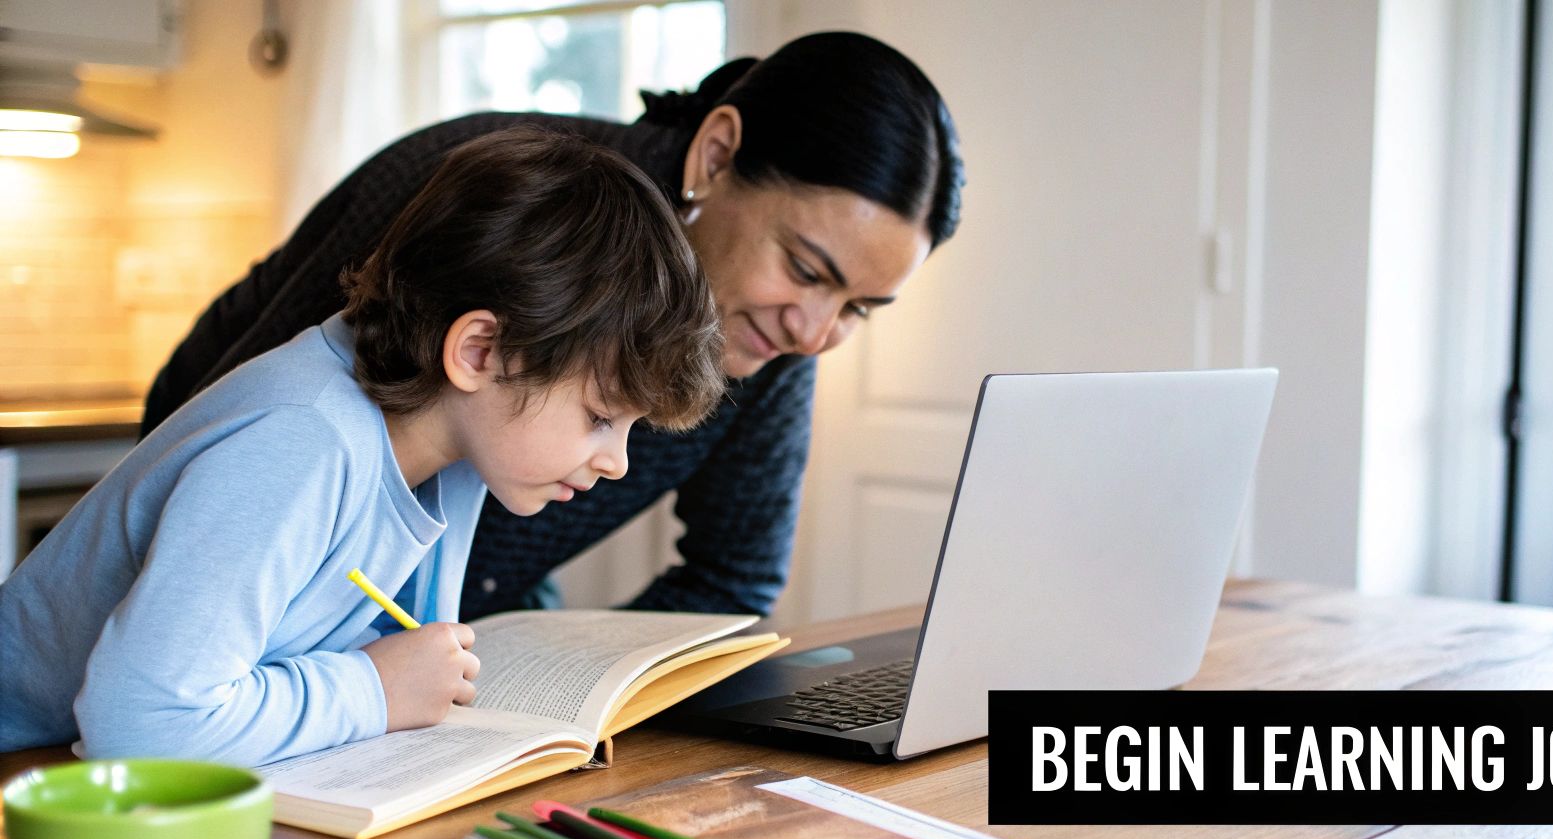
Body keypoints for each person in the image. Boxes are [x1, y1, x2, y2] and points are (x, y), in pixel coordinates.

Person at [140, 31, 965, 620]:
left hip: (461, 626)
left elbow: (731, 578)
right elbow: (235, 443)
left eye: (858, 308)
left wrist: (574, 692)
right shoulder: (494, 203)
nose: (815, 332)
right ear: (717, 155)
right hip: (229, 578)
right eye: (808, 269)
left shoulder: (774, 332)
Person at [0, 127, 723, 763]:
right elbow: (139, 725)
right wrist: (373, 689)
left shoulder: (454, 449)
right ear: (478, 351)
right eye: (600, 416)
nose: (618, 461)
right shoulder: (302, 438)